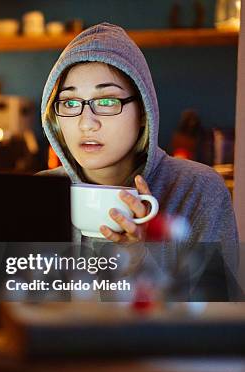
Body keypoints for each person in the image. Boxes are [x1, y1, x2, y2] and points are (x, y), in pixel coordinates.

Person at [38, 22, 241, 300]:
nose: (86, 123)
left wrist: (142, 260)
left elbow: (217, 326)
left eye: (107, 101)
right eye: (70, 103)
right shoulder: (39, 193)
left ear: (143, 111)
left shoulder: (198, 190)